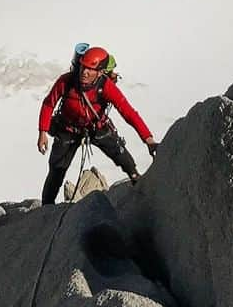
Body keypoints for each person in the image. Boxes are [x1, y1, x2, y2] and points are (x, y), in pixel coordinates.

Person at [38, 45, 158, 204]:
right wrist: (42, 132)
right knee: (56, 171)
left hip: (96, 127)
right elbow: (48, 104)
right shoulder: (66, 82)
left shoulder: (106, 86)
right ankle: (46, 207)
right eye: (83, 67)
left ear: (100, 72)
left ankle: (136, 179)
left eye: (90, 69)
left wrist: (148, 139)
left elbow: (128, 113)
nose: (84, 72)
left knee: (122, 157)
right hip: (67, 129)